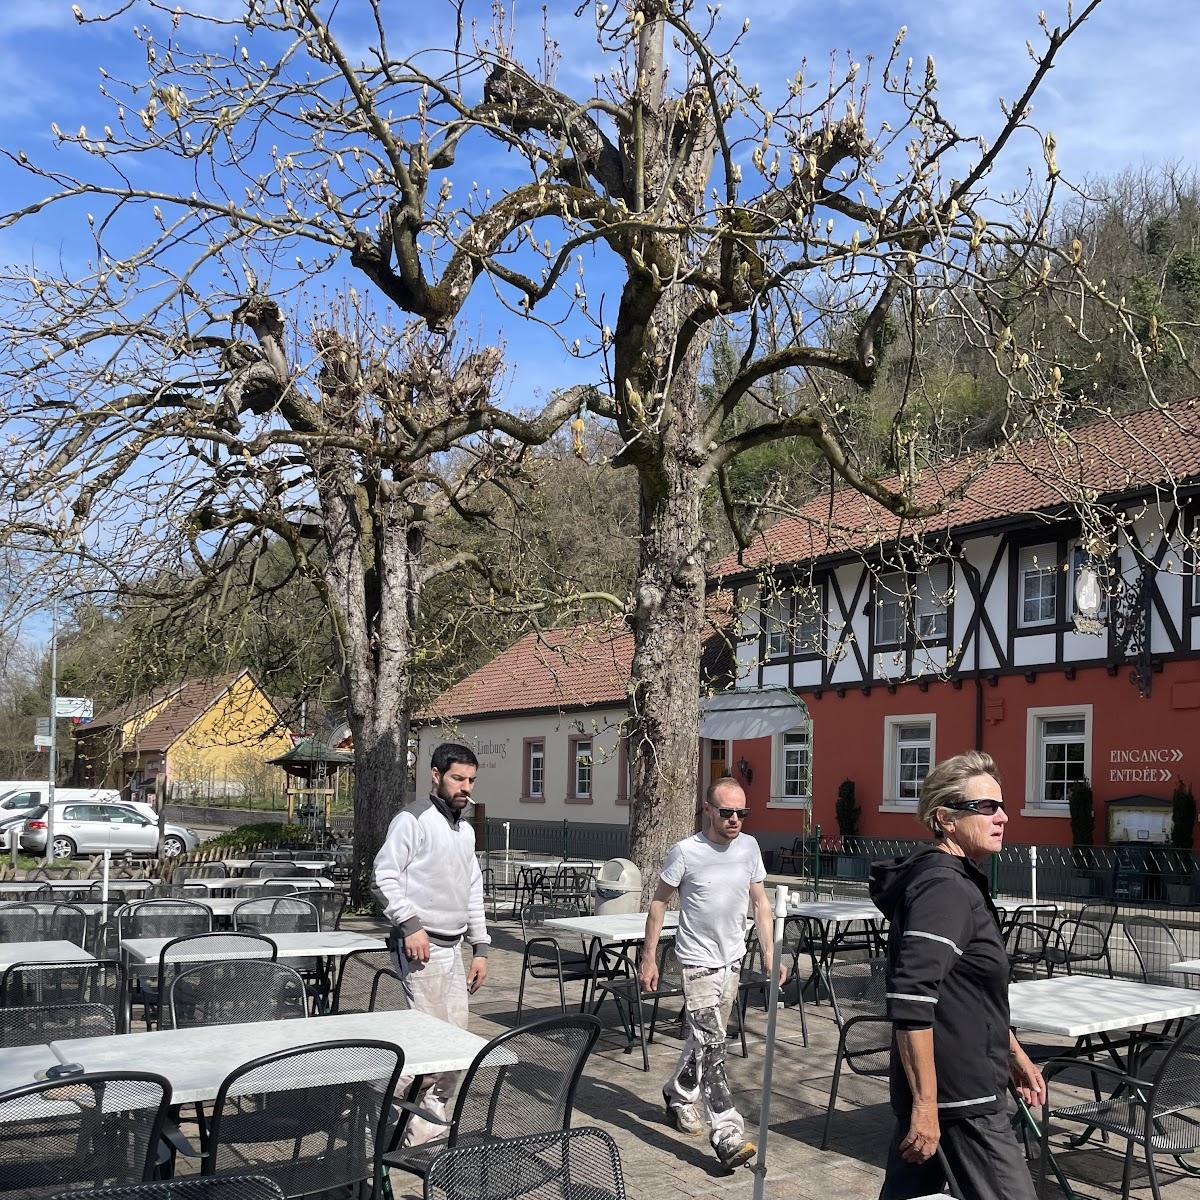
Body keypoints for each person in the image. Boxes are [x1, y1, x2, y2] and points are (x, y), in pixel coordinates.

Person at [869, 751, 1046, 1200]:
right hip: (959, 1100)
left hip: (955, 1090)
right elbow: (912, 1000)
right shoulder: (944, 888)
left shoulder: (956, 880)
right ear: (945, 818)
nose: (1003, 817)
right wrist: (926, 1106)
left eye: (1002, 806)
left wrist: (1013, 1054)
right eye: (987, 807)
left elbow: (970, 996)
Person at [640, 777, 785, 1171]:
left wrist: (771, 954)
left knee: (705, 1040)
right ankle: (726, 1131)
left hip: (732, 961)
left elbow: (761, 903)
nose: (735, 819)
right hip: (697, 963)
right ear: (708, 810)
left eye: (742, 812)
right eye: (726, 812)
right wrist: (649, 958)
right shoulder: (686, 852)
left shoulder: (750, 848)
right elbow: (657, 905)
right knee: (713, 1045)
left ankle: (678, 1092)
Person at [372, 741, 489, 1143]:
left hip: (454, 949)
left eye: (471, 780)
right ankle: (377, 1108)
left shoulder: (466, 830)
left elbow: (473, 889)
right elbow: (383, 877)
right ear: (436, 776)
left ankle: (427, 1128)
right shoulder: (413, 820)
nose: (465, 787)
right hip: (419, 948)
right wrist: (410, 925)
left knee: (457, 1045)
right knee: (428, 1046)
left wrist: (481, 946)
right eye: (458, 778)